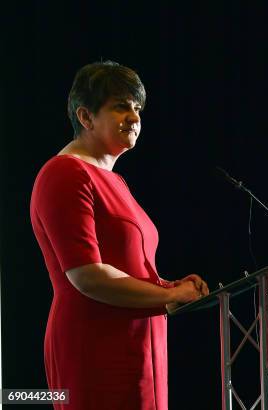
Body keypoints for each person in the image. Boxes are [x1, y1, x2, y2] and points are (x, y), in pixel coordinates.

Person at [30, 61, 207, 410]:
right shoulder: (65, 174)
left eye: (137, 108)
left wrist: (172, 287)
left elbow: (129, 264)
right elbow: (88, 275)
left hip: (139, 342)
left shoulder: (116, 181)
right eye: (120, 106)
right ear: (86, 117)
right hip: (95, 345)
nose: (134, 117)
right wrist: (167, 296)